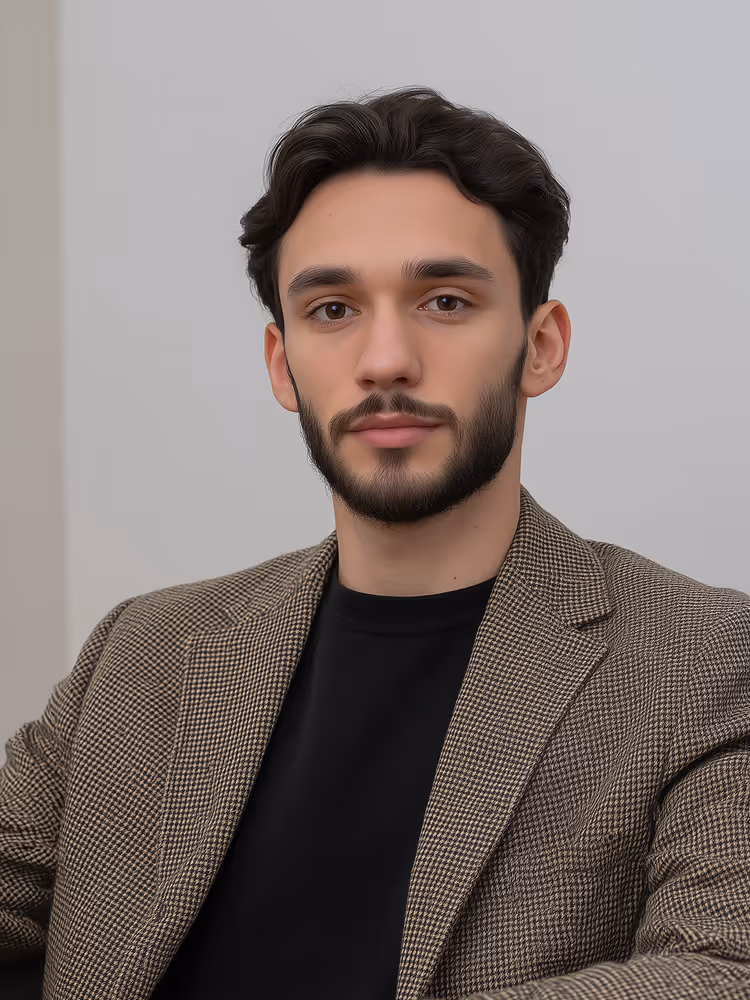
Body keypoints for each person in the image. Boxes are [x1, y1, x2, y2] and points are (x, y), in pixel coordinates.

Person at [1, 86, 749, 1000]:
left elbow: (723, 969)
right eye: (332, 309)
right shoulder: (141, 653)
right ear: (282, 365)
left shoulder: (704, 661)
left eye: (443, 299)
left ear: (541, 345)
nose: (385, 359)